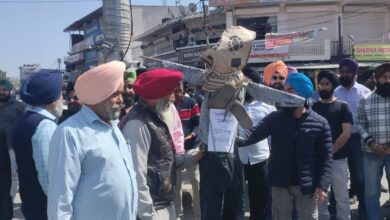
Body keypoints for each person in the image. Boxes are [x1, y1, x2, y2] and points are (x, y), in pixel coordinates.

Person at [47, 61, 138, 220]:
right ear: (99, 94)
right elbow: (60, 202)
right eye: (116, 94)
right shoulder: (69, 133)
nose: (121, 100)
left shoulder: (114, 127)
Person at [238, 72, 333, 220]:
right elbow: (251, 134)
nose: (285, 94)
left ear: (302, 93)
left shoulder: (320, 123)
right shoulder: (275, 118)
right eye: (285, 90)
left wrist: (322, 185)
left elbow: (326, 157)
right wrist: (230, 140)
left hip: (307, 187)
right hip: (280, 185)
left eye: (290, 90)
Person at [121, 68, 202, 220]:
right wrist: (147, 215)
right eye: (170, 92)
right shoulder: (137, 125)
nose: (173, 98)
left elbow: (164, 159)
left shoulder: (156, 116)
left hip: (163, 205)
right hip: (152, 209)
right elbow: (138, 177)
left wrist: (193, 158)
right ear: (157, 94)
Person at [12, 70, 63, 220]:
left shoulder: (23, 120)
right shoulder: (45, 127)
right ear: (52, 98)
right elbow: (49, 179)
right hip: (44, 210)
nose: (62, 98)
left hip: (32, 204)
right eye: (59, 94)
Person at [312, 70, 353, 220]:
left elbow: (346, 133)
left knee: (341, 194)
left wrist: (330, 151)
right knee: (320, 195)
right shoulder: (313, 108)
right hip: (318, 159)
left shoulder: (343, 107)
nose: (323, 87)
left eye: (327, 84)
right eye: (321, 84)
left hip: (339, 158)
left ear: (333, 86)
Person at [333, 58, 370, 217]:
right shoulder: (336, 92)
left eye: (348, 72)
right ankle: (334, 210)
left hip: (357, 139)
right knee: (337, 177)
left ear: (355, 74)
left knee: (360, 178)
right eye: (342, 72)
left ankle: (363, 211)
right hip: (340, 138)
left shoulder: (365, 92)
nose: (344, 75)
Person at [239, 67, 275, 220]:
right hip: (238, 158)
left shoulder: (268, 108)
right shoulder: (232, 106)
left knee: (259, 198)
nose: (245, 86)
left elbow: (273, 137)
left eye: (248, 83)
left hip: (260, 159)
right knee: (237, 196)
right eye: (242, 83)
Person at [356, 63, 390, 220]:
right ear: (377, 79)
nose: (388, 80)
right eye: (384, 77)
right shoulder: (365, 99)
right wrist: (374, 144)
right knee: (371, 191)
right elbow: (360, 124)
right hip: (371, 152)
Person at [173, 81, 201, 218]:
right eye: (175, 91)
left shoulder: (191, 102)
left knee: (195, 180)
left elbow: (198, 123)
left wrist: (192, 135)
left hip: (191, 147)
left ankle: (198, 212)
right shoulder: (167, 105)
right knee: (176, 185)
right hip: (174, 151)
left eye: (180, 91)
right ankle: (177, 214)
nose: (178, 94)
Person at [0, 78, 25, 220]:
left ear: (10, 91)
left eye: (4, 89)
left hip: (13, 149)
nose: (1, 92)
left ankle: (9, 207)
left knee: (15, 179)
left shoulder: (19, 107)